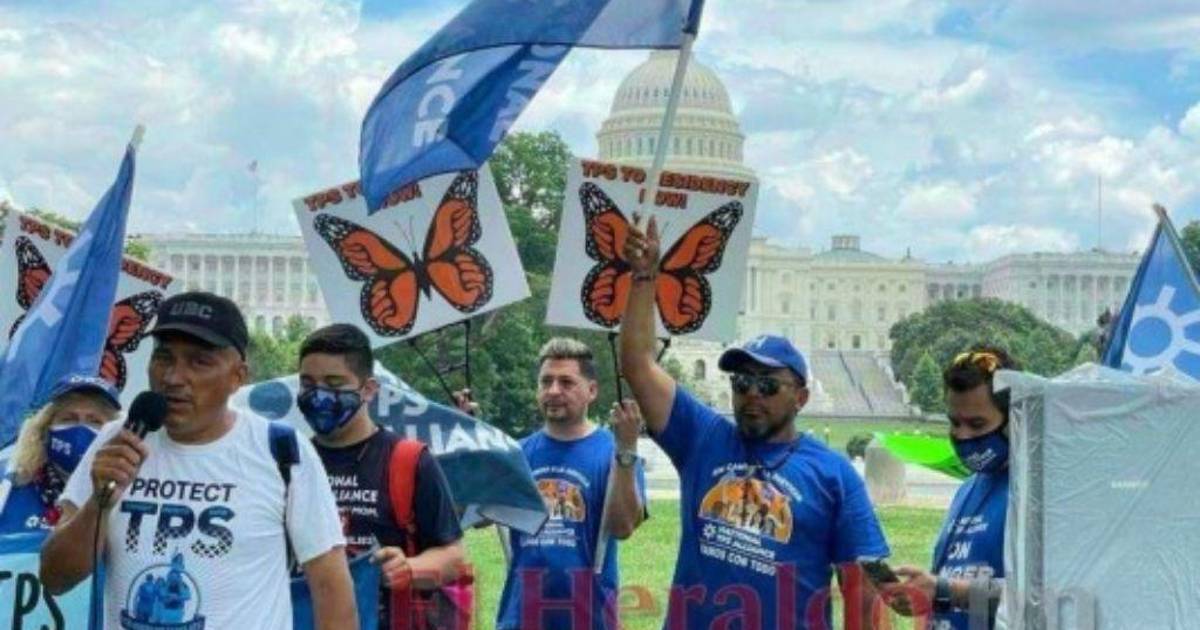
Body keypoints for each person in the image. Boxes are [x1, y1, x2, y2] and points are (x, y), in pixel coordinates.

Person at [618, 214, 890, 629]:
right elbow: (638, 363)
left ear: (801, 398)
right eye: (742, 382)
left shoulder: (833, 474)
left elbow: (863, 588)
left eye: (768, 385)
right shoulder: (704, 438)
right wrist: (643, 278)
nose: (752, 394)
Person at [39, 291, 357, 629]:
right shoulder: (116, 440)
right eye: (164, 357)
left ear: (238, 376)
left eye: (199, 362)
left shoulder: (282, 450)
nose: (173, 377)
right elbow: (55, 578)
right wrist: (98, 505)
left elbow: (330, 587)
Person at [297, 323, 467, 629]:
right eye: (308, 384)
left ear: (368, 389)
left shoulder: (410, 461)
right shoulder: (289, 463)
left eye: (334, 383)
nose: (318, 396)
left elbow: (454, 557)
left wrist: (409, 569)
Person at [495, 337, 648, 630]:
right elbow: (473, 515)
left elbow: (623, 527)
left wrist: (627, 449)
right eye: (546, 381)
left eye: (566, 382)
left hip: (590, 618)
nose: (553, 391)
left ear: (592, 390)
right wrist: (470, 441)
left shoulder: (615, 453)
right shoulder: (516, 453)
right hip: (520, 618)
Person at [883, 347, 1015, 629]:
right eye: (955, 422)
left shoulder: (1036, 495)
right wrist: (926, 593)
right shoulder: (967, 489)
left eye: (976, 424)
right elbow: (946, 586)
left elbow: (1045, 595)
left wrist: (947, 590)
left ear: (1013, 419)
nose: (962, 435)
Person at [0, 374, 121, 533]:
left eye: (95, 421)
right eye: (69, 419)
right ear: (45, 429)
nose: (80, 429)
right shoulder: (8, 486)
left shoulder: (125, 494)